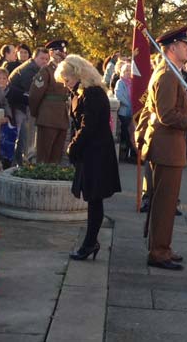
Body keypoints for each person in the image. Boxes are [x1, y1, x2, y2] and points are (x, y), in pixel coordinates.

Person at [135, 26, 187, 270]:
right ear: (172, 47)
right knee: (165, 203)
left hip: (168, 145)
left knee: (163, 201)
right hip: (166, 146)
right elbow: (167, 115)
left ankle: (160, 245)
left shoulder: (171, 71)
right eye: (185, 44)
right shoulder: (167, 74)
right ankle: (159, 252)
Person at [54, 54, 121, 260]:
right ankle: (90, 242)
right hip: (92, 151)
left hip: (97, 153)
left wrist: (72, 147)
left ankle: (90, 243)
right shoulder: (82, 92)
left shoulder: (91, 93)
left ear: (78, 74)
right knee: (93, 199)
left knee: (94, 199)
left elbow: (88, 125)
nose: (66, 85)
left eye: (67, 79)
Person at [6, 47, 50, 166]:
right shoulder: (29, 70)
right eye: (42, 58)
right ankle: (20, 164)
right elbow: (32, 92)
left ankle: (21, 162)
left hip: (22, 104)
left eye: (47, 59)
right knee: (23, 138)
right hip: (18, 106)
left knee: (24, 137)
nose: (45, 61)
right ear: (34, 57)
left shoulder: (35, 68)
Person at [28, 40, 70, 164]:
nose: (61, 55)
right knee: (44, 155)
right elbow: (34, 96)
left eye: (63, 52)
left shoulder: (68, 71)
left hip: (62, 118)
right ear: (51, 53)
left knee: (57, 156)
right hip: (47, 118)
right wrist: (38, 114)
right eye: (58, 52)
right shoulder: (45, 71)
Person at [114, 62, 135, 162]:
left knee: (132, 134)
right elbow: (119, 96)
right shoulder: (120, 82)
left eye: (129, 71)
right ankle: (124, 155)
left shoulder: (133, 83)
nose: (128, 73)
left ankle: (131, 154)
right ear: (121, 72)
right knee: (125, 134)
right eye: (126, 71)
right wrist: (129, 104)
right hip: (124, 112)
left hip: (133, 113)